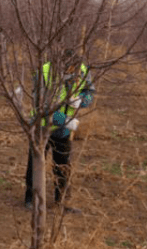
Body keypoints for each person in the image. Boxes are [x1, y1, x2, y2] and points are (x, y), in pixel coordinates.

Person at [24, 51, 95, 212]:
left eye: (73, 69)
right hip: (41, 126)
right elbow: (39, 103)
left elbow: (90, 91)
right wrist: (64, 120)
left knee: (62, 165)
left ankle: (61, 202)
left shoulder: (82, 70)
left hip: (63, 130)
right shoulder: (44, 72)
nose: (71, 72)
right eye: (68, 69)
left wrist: (82, 100)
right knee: (36, 163)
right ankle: (31, 199)